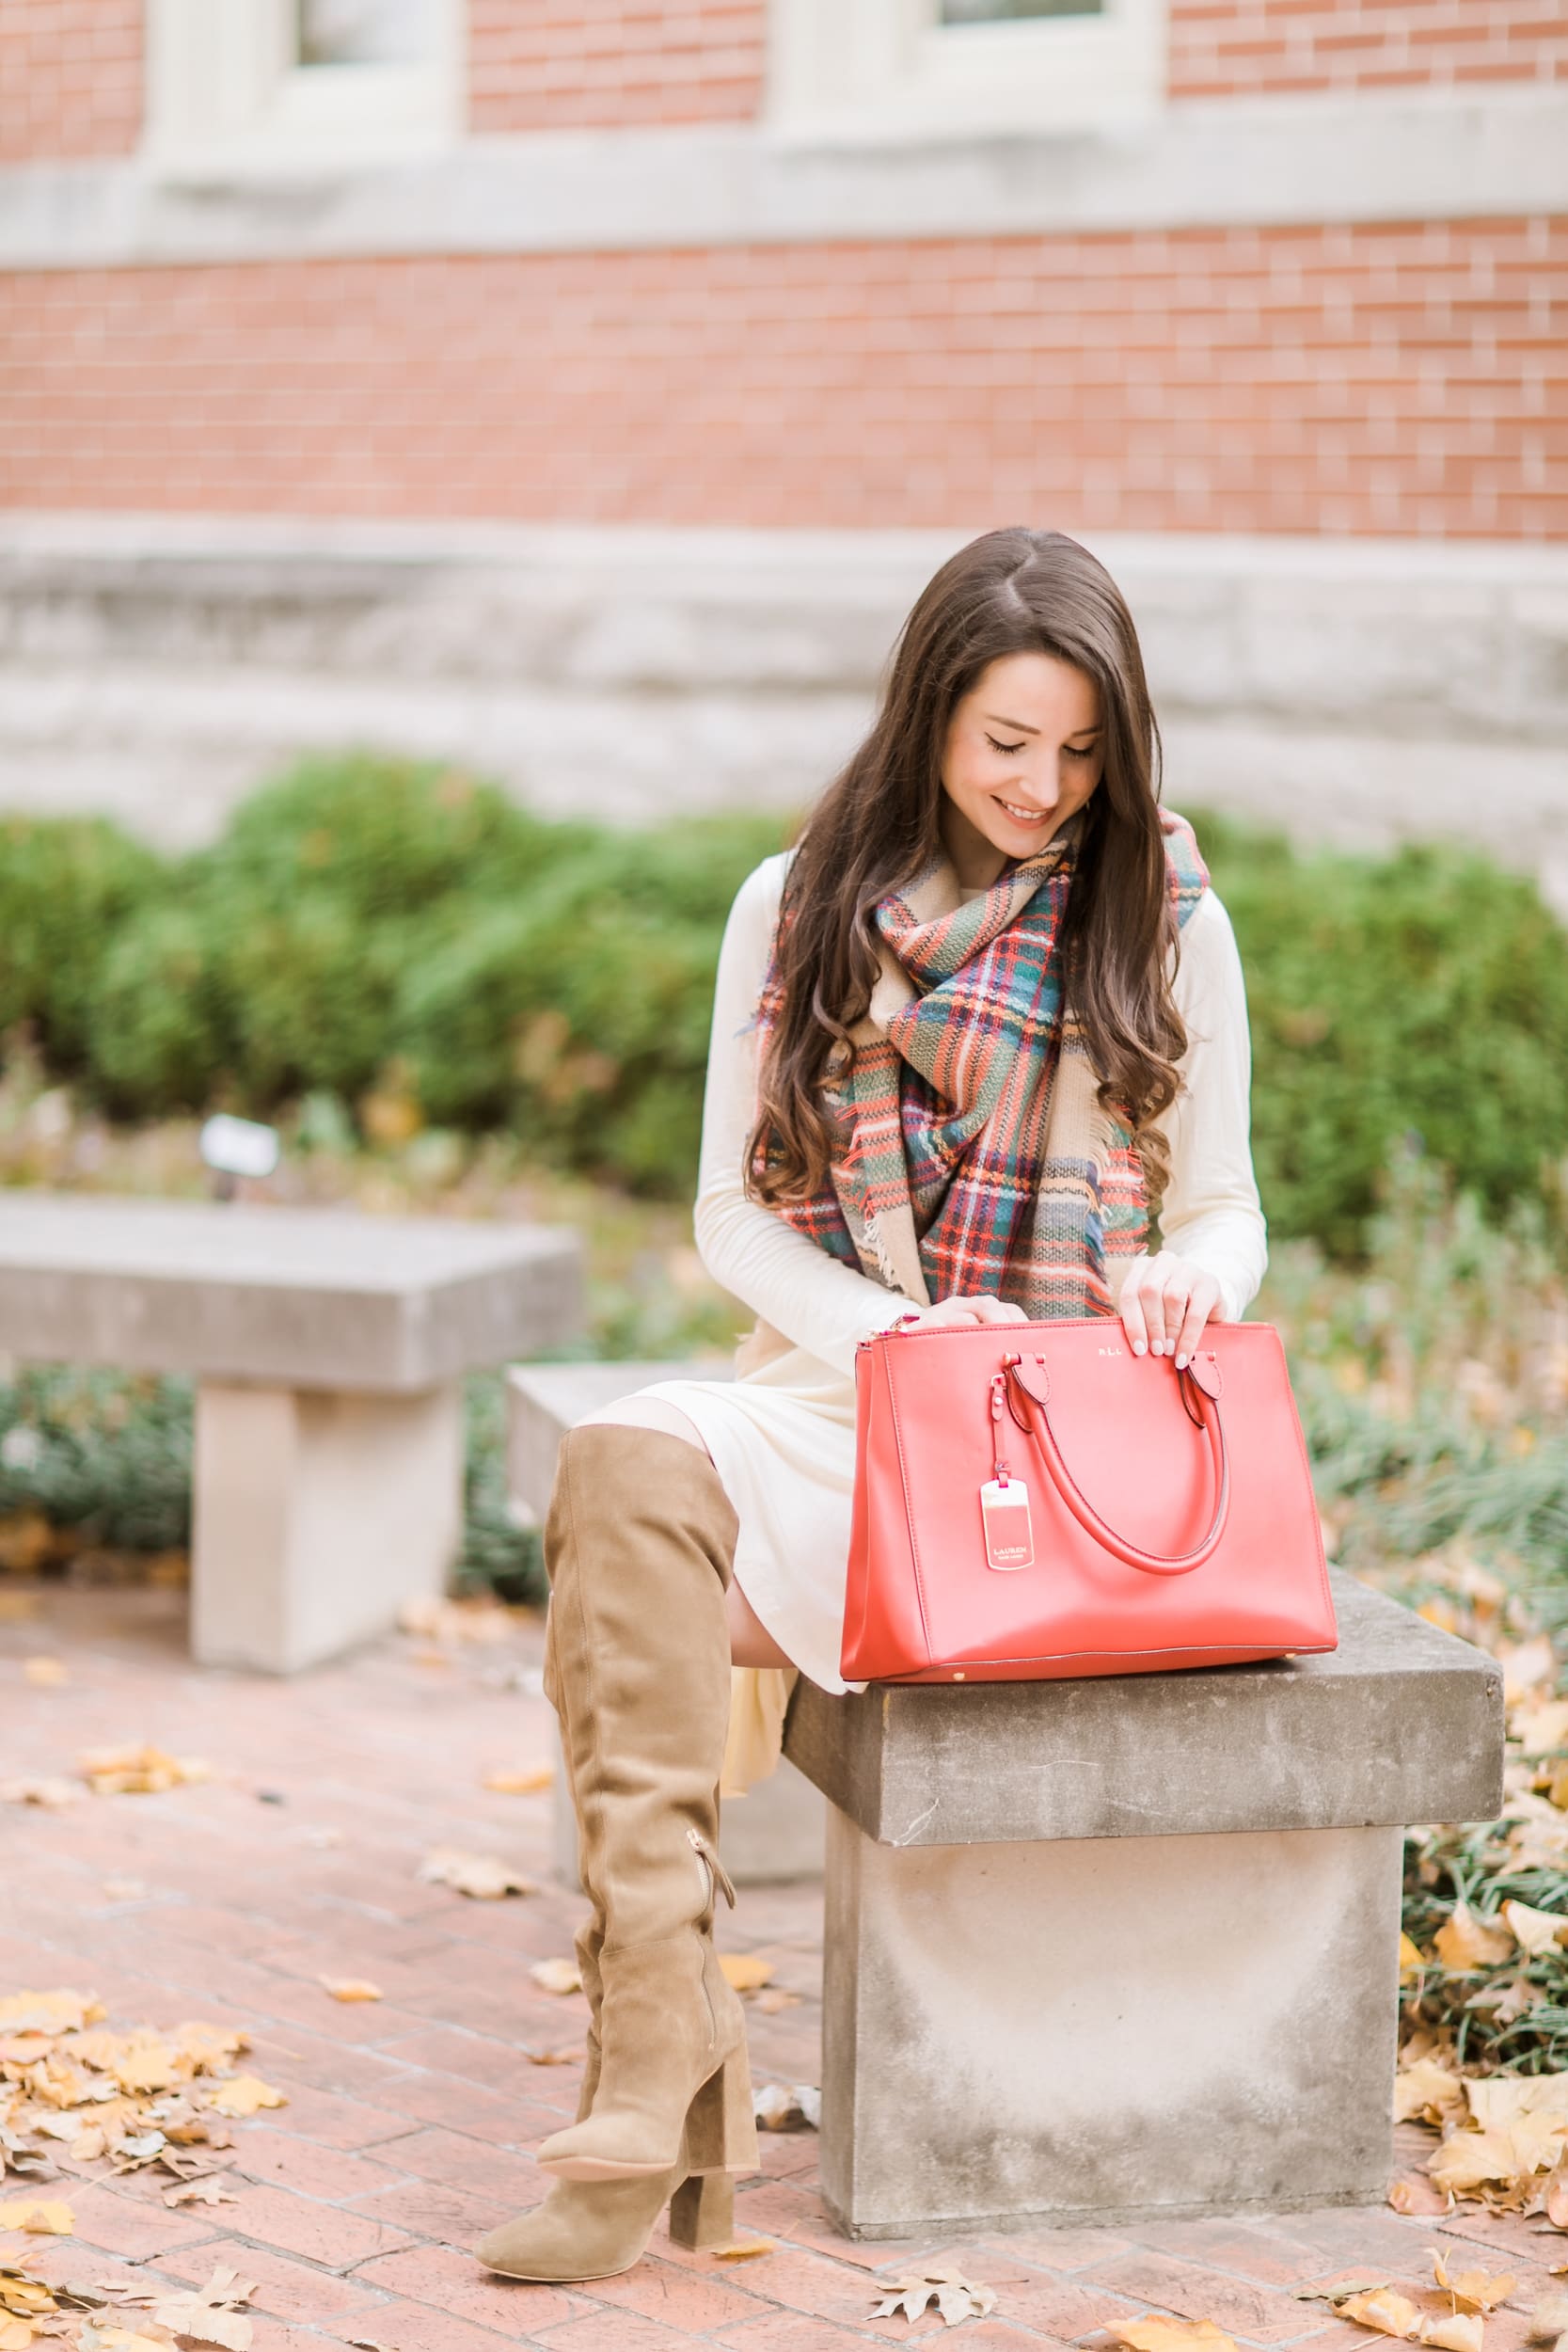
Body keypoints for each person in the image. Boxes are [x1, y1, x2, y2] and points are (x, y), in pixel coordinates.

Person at [473, 526, 1266, 2285]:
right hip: (868, 1396)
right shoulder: (800, 901)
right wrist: (894, 1339)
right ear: (926, 717)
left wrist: (1200, 1278)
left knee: (624, 1621)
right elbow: (728, 1214)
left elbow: (1224, 1200)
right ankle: (658, 2031)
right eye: (1006, 745)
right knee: (623, 1468)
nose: (1044, 789)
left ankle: (655, 2090)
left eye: (1081, 753)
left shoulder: (1164, 907)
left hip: (1070, 1444)